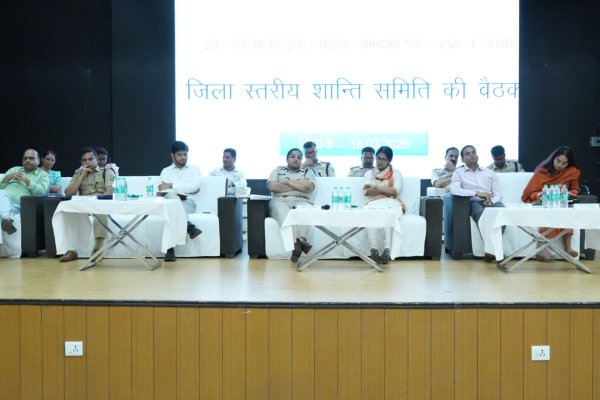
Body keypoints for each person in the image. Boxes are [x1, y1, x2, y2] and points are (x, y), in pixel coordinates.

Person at [521, 146, 581, 260]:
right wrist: (541, 195)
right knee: (549, 214)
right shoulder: (542, 171)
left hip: (561, 202)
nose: (560, 165)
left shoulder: (572, 172)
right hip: (543, 201)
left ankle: (568, 248)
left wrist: (568, 193)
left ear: (568, 163)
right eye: (558, 161)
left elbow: (575, 189)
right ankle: (541, 248)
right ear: (553, 158)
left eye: (564, 163)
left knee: (566, 214)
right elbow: (529, 194)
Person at [449, 145, 504, 261]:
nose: (472, 155)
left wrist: (491, 202)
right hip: (474, 202)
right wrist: (476, 193)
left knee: (503, 214)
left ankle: (490, 250)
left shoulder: (489, 172)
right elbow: (454, 190)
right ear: (462, 159)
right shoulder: (458, 172)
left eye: (473, 152)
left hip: (492, 201)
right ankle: (492, 250)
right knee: (481, 214)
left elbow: (498, 194)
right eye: (468, 153)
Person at [59, 147, 115, 262]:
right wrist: (81, 176)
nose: (88, 162)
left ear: (96, 159)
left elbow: (109, 191)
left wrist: (98, 202)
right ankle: (72, 251)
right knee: (68, 213)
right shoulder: (78, 173)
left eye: (90, 159)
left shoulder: (106, 171)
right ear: (81, 162)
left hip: (99, 204)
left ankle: (98, 249)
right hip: (83, 205)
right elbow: (68, 193)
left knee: (100, 213)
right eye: (84, 160)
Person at [267, 148, 316, 262]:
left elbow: (308, 187)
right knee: (282, 212)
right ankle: (300, 243)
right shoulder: (277, 170)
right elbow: (272, 186)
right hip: (280, 200)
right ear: (287, 159)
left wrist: (287, 181)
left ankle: (297, 243)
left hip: (302, 200)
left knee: (305, 211)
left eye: (299, 157)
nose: (296, 159)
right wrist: (298, 187)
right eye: (293, 156)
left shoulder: (308, 172)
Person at [158, 140, 203, 262]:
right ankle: (189, 226)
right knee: (171, 201)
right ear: (172, 156)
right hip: (171, 204)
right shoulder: (166, 171)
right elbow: (164, 189)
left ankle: (170, 250)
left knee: (171, 205)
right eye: (179, 154)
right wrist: (183, 187)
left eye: (185, 154)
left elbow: (193, 187)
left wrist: (171, 185)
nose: (183, 157)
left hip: (189, 204)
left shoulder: (195, 170)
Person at [362, 146, 406, 264]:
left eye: (384, 159)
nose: (380, 161)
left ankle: (387, 251)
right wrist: (385, 189)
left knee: (389, 214)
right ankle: (374, 250)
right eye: (378, 158)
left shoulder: (396, 173)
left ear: (389, 160)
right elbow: (366, 192)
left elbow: (395, 191)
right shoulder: (369, 173)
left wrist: (376, 187)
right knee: (368, 213)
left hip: (391, 201)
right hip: (373, 202)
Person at [0, 149, 49, 235]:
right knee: (1, 193)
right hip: (4, 199)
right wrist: (8, 177)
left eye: (31, 158)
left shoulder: (43, 175)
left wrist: (28, 181)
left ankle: (6, 219)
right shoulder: (14, 169)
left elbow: (41, 192)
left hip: (21, 204)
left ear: (38, 161)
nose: (27, 160)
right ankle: (7, 220)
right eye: (25, 158)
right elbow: (1, 186)